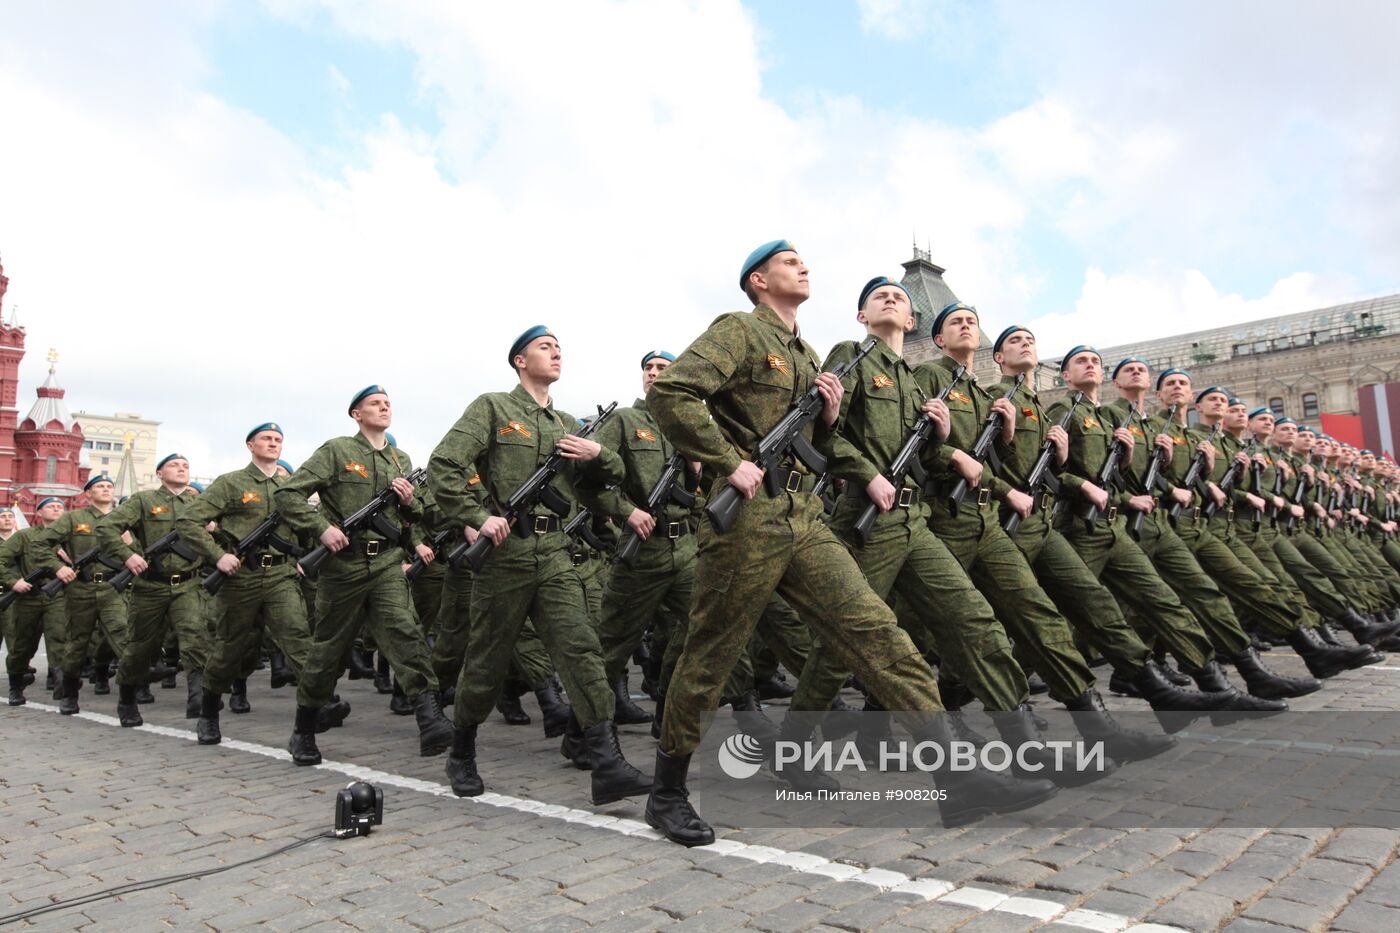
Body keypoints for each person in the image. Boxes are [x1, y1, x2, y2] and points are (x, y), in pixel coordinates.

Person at [645, 241, 1057, 845]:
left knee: (877, 634)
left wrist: (830, 421)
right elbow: (673, 392)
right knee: (711, 652)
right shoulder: (739, 330)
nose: (803, 266)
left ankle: (957, 778)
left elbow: (816, 443)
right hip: (748, 522)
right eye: (789, 262)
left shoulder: (807, 353)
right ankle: (667, 792)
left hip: (803, 514)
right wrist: (725, 460)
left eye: (802, 260)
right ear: (759, 280)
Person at [426, 326, 652, 806]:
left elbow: (600, 485)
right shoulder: (493, 408)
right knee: (486, 660)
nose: (555, 353)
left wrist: (599, 454)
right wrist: (476, 516)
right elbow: (444, 464)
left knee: (582, 650)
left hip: (553, 553)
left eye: (558, 348)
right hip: (504, 556)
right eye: (544, 347)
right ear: (519, 361)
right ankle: (461, 752)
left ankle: (607, 764)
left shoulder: (567, 424)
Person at [274, 386, 453, 765]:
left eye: (387, 403)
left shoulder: (400, 458)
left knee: (406, 633)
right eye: (375, 403)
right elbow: (289, 494)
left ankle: (430, 717)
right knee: (328, 650)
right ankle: (304, 729)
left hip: (387, 563)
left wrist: (409, 502)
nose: (384, 406)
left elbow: (415, 517)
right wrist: (321, 527)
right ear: (357, 414)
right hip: (344, 568)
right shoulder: (337, 450)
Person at [177, 423, 332, 745]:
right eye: (266, 438)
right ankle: (208, 713)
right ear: (250, 445)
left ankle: (317, 710)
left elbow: (306, 527)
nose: (273, 443)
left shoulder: (292, 486)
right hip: (240, 578)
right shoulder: (231, 483)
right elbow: (187, 521)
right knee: (229, 649)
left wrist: (304, 558)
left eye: (278, 439)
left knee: (298, 640)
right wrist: (217, 555)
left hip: (281, 575)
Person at [97, 454, 210, 725]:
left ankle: (200, 703)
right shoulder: (144, 501)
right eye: (174, 465)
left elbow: (225, 533)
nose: (181, 468)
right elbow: (106, 527)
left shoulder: (200, 504)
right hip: (151, 586)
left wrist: (214, 529)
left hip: (188, 584)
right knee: (139, 647)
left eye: (186, 465)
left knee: (196, 640)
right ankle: (126, 699)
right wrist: (127, 556)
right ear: (160, 473)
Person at [1, 497, 70, 707]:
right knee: (22, 644)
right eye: (51, 506)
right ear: (39, 513)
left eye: (60, 507)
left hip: (57, 596)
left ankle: (62, 686)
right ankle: (15, 686)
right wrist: (14, 581)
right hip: (28, 597)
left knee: (59, 639)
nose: (57, 509)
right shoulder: (24, 536)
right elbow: (2, 559)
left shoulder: (71, 537)